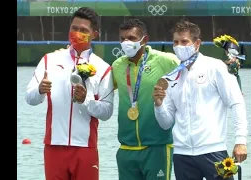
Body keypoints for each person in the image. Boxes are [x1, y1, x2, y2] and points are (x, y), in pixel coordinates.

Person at [25, 7, 114, 180]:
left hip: (85, 148)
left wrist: (86, 101)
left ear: (94, 34)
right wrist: (40, 91)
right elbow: (30, 98)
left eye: (83, 30)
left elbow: (107, 112)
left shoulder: (103, 68)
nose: (77, 33)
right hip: (53, 146)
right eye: (74, 28)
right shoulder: (49, 60)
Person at [153, 20, 248, 180]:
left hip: (214, 151)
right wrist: (158, 105)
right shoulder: (169, 78)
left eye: (184, 41)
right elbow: (165, 124)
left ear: (197, 43)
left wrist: (240, 141)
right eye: (176, 42)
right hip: (182, 155)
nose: (179, 46)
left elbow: (237, 102)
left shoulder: (216, 67)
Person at [112, 19, 180, 180]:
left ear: (145, 39)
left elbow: (192, 72)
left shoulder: (166, 61)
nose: (126, 42)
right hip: (126, 148)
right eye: (122, 39)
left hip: (157, 146)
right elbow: (100, 94)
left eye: (132, 38)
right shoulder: (117, 66)